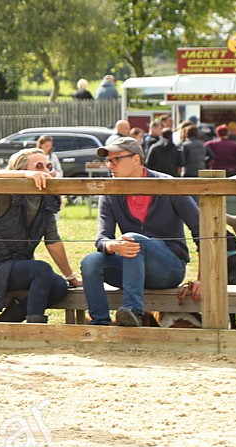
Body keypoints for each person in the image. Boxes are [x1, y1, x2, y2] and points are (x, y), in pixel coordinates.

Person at [80, 137, 200, 326]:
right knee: (90, 262)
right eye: (108, 161)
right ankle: (100, 323)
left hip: (169, 269)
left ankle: (133, 312)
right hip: (130, 267)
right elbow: (102, 239)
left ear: (136, 159)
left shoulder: (168, 184)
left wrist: (203, 279)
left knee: (133, 239)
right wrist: (112, 245)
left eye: (116, 160)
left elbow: (202, 230)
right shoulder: (110, 193)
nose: (110, 165)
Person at [0, 148, 76, 323]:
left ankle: (8, 320)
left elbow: (53, 241)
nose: (45, 170)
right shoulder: (7, 195)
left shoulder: (46, 201)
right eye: (38, 166)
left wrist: (71, 278)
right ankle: (35, 325)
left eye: (47, 166)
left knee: (59, 286)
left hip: (18, 266)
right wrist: (26, 175)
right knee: (41, 269)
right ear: (22, 170)